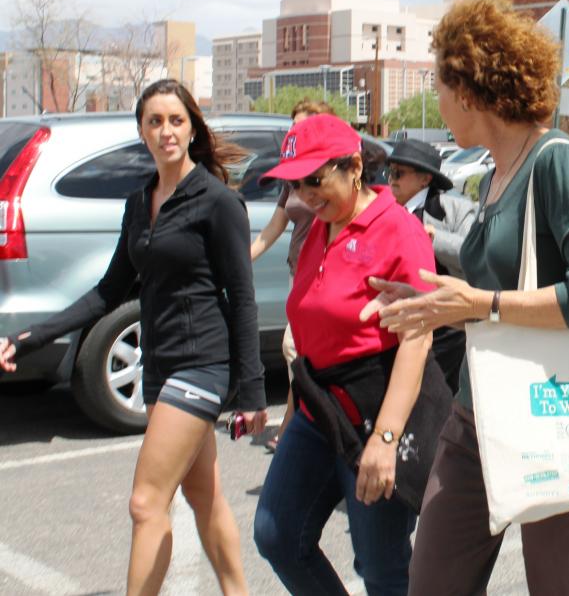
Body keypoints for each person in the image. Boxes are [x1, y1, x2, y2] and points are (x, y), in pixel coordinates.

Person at [360, 0, 569, 596]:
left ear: (473, 89)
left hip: (557, 419)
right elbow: (496, 289)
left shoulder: (556, 164)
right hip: (476, 413)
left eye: (441, 86)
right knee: (431, 582)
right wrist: (435, 302)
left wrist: (481, 305)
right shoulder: (491, 176)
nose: (438, 101)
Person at [0, 79, 268, 595]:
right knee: (203, 494)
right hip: (159, 364)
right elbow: (106, 293)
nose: (165, 131)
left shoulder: (217, 202)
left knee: (146, 502)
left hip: (203, 364)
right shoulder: (139, 202)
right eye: (154, 121)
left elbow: (243, 296)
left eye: (175, 120)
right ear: (141, 130)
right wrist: (31, 338)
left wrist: (253, 391)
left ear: (192, 129)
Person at [252, 114, 437, 594]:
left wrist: (387, 439)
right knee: (276, 533)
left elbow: (417, 341)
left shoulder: (397, 230)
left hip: (374, 412)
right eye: (296, 184)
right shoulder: (320, 226)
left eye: (316, 180)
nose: (306, 195)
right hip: (319, 408)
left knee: (380, 567)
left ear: (354, 166)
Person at [249, 99, 334, 451]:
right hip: (296, 272)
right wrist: (243, 260)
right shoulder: (293, 177)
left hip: (326, 274)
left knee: (294, 347)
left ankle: (304, 425)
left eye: (303, 125)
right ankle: (296, 424)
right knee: (302, 354)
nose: (294, 131)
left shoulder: (333, 172)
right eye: (293, 125)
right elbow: (274, 226)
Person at [385, 137, 478, 392]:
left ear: (425, 179)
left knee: (438, 399)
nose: (391, 179)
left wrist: (432, 236)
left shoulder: (455, 209)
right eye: (389, 172)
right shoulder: (383, 211)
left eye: (399, 173)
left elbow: (471, 255)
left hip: (447, 328)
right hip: (398, 324)